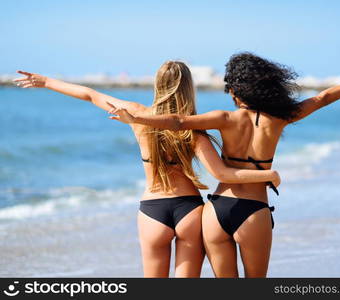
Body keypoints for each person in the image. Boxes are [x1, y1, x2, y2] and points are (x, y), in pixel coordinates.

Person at [107, 52, 340, 278]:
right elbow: (322, 98)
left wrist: (137, 119)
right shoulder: (280, 118)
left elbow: (178, 121)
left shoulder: (224, 118)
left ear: (235, 90)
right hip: (254, 211)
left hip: (217, 209)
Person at [13, 61, 280, 278]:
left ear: (157, 85)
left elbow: (90, 94)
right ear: (189, 88)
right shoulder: (193, 130)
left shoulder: (138, 116)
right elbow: (221, 173)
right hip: (189, 210)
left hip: (152, 209)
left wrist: (46, 82)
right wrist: (267, 174)